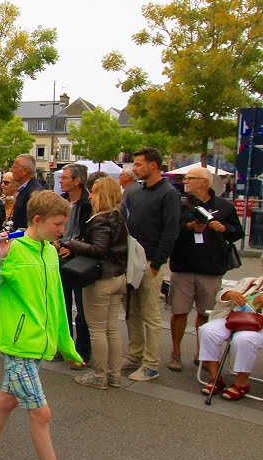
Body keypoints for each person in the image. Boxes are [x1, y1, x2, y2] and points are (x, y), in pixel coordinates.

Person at [0, 190, 103, 460]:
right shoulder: (12, 251)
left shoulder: (51, 252)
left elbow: (57, 305)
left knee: (6, 403)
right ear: (37, 220)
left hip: (40, 345)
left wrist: (67, 346)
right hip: (18, 347)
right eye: (57, 223)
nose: (61, 229)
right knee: (42, 414)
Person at [166, 166, 243, 371]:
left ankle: (201, 352)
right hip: (183, 266)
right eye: (185, 178)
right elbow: (170, 230)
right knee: (179, 312)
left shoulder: (225, 207)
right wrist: (188, 227)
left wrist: (224, 228)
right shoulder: (181, 206)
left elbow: (237, 233)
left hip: (211, 268)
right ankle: (175, 352)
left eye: (191, 178)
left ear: (205, 182)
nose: (186, 181)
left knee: (205, 313)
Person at [62, 177, 130, 389]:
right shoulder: (118, 216)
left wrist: (72, 244)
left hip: (101, 279)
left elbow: (99, 248)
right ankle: (114, 374)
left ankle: (100, 375)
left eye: (94, 193)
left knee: (98, 330)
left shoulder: (100, 219)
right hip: (117, 276)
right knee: (112, 329)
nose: (90, 196)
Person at [122, 147, 181, 381]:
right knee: (132, 310)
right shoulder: (136, 193)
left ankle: (151, 363)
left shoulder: (168, 194)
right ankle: (134, 354)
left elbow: (170, 230)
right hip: (132, 260)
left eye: (138, 164)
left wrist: (157, 262)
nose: (135, 168)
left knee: (150, 314)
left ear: (153, 165)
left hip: (150, 262)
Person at [198, 270, 263, 401]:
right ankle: (215, 378)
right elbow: (220, 296)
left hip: (259, 328)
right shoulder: (250, 281)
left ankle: (242, 383)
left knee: (243, 339)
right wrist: (229, 294)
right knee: (207, 330)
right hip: (236, 318)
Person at [56, 163, 92, 364]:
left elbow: (91, 234)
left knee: (82, 309)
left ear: (77, 181)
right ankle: (64, 346)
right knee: (62, 305)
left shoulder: (88, 203)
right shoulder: (62, 201)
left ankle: (82, 352)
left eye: (65, 178)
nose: (61, 181)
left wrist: (74, 247)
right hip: (60, 257)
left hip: (79, 261)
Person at [8, 154, 43, 230]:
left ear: (24, 171)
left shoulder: (34, 193)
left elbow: (28, 224)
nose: (11, 170)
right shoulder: (26, 189)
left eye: (14, 167)